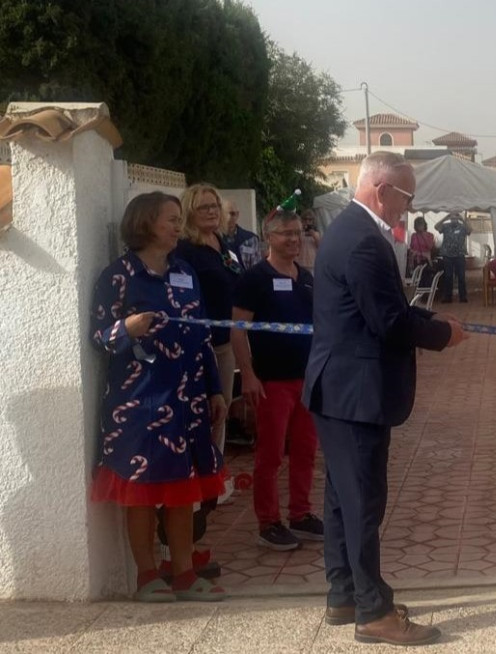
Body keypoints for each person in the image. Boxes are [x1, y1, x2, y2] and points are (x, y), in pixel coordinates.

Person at [303, 151, 467, 646]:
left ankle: (344, 594)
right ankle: (373, 611)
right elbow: (389, 322)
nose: (409, 206)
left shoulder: (351, 231)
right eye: (407, 196)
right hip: (355, 393)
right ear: (382, 189)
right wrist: (443, 335)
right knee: (362, 503)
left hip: (340, 388)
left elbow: (380, 311)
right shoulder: (362, 242)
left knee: (341, 499)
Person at [90, 192, 227, 602]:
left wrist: (215, 389)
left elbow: (201, 333)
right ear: (146, 222)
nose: (177, 224)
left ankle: (184, 574)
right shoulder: (118, 276)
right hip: (141, 403)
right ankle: (147, 576)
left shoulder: (184, 270)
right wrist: (126, 329)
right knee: (143, 493)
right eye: (170, 218)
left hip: (188, 401)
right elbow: (98, 337)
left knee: (183, 491)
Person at [231, 209, 323, 552]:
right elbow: (238, 330)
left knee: (305, 451)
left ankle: (301, 514)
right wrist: (249, 376)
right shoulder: (254, 278)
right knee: (269, 456)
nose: (294, 240)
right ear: (269, 236)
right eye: (286, 233)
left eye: (298, 233)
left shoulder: (307, 277)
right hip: (271, 381)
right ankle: (268, 521)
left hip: (307, 380)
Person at [176, 183, 241, 459]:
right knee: (203, 410)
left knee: (222, 408)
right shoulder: (184, 250)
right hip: (201, 345)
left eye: (214, 205)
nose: (212, 211)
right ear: (189, 212)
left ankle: (216, 471)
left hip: (226, 343)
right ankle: (201, 473)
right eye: (204, 207)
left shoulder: (223, 243)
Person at [435, 211, 471, 303]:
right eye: (452, 218)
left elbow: (470, 230)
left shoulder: (462, 227)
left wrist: (462, 219)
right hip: (447, 255)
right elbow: (436, 227)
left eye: (455, 218)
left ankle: (463, 296)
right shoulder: (446, 226)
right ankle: (447, 297)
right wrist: (445, 218)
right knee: (448, 276)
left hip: (459, 254)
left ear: (458, 218)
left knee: (461, 276)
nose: (453, 220)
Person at [223, 199, 263, 269]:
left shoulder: (250, 239)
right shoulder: (214, 239)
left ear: (237, 215)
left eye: (232, 214)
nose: (229, 218)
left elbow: (256, 267)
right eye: (225, 214)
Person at [297, 209, 322, 274]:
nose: (307, 222)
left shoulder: (316, 233)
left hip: (312, 263)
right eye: (305, 219)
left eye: (310, 220)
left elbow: (320, 247)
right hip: (300, 262)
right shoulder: (298, 233)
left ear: (313, 221)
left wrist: (314, 235)